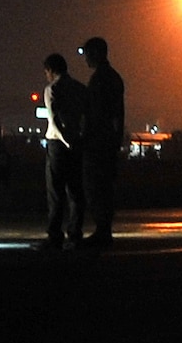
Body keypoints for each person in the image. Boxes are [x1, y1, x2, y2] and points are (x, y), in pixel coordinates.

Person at [78, 36, 124, 247]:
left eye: (87, 53)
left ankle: (102, 230)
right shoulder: (114, 77)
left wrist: (86, 138)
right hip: (108, 142)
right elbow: (118, 114)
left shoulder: (100, 79)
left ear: (95, 53)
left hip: (97, 143)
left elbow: (94, 114)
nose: (86, 58)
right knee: (105, 187)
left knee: (96, 187)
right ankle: (104, 230)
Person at [38, 52, 87, 250]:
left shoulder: (52, 89)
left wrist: (66, 141)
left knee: (55, 192)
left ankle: (55, 235)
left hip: (58, 145)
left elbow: (54, 120)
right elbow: (86, 116)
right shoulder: (80, 88)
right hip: (77, 141)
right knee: (76, 190)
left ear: (50, 70)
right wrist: (78, 139)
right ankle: (75, 234)